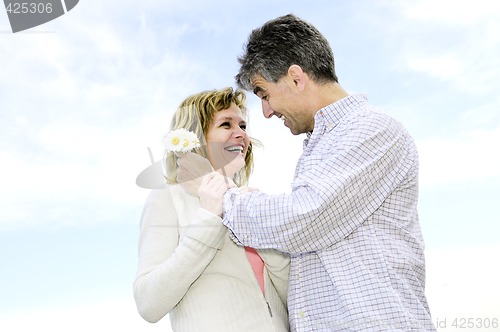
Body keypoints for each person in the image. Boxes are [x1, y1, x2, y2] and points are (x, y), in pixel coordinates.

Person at [181, 14, 436, 331]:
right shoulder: (323, 145)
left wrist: (225, 199)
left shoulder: (372, 130)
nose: (267, 111)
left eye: (264, 93)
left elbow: (306, 217)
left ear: (296, 78)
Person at [133, 87, 290, 332]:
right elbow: (149, 303)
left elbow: (293, 295)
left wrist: (261, 226)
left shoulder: (251, 201)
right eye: (226, 125)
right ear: (197, 137)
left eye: (243, 126)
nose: (240, 134)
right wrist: (208, 219)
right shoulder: (168, 197)